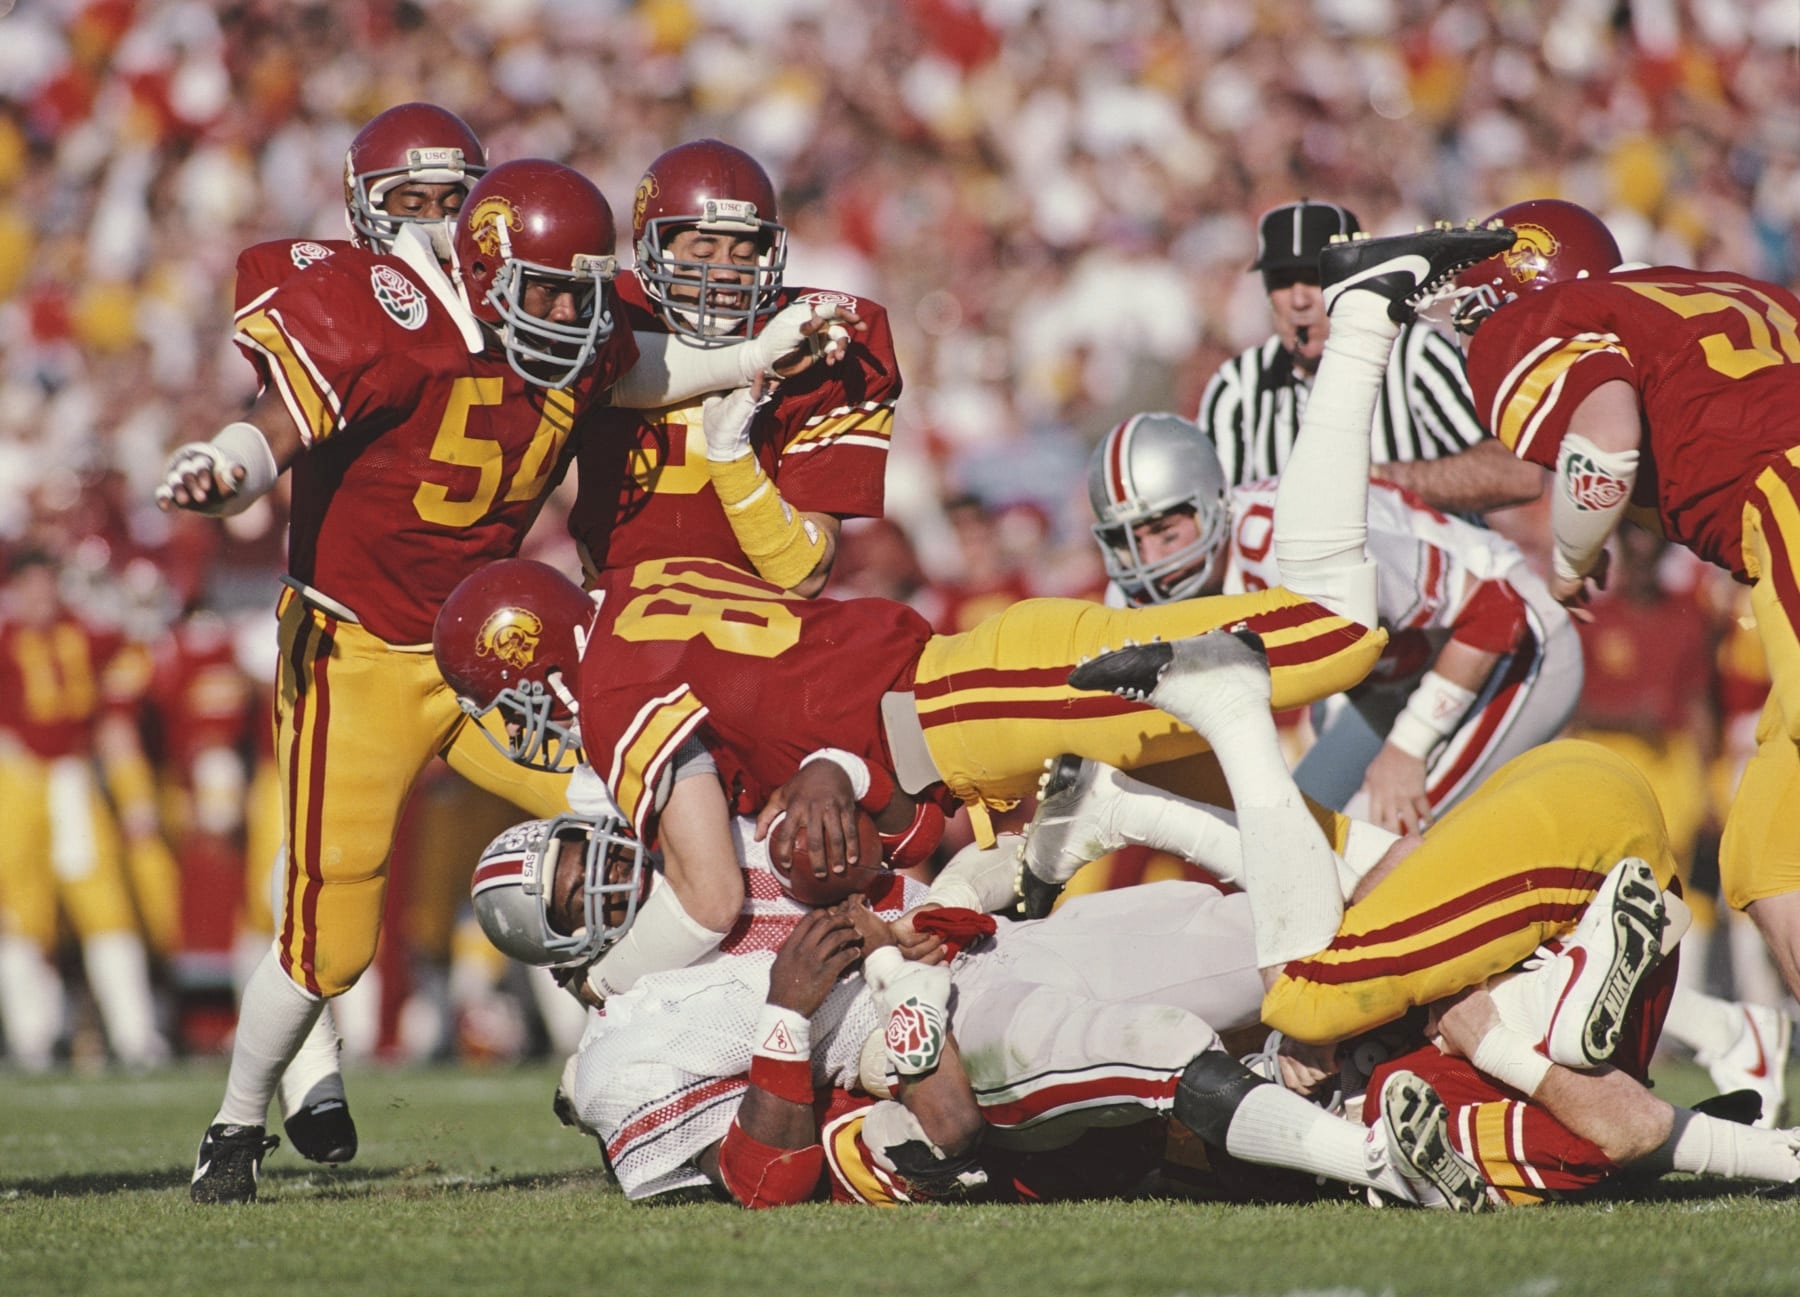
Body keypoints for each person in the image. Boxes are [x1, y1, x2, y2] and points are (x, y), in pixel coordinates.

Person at [159, 155, 843, 1204]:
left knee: (638, 809)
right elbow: (279, 428)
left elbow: (640, 370)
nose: (569, 315)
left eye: (580, 292)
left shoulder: (572, 340)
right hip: (361, 655)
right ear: (483, 276)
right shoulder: (391, 325)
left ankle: (628, 1052)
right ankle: (236, 1124)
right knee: (330, 936)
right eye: (546, 292)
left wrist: (754, 353)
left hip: (488, 654)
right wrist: (226, 469)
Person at [464, 790, 1490, 1211]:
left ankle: (1502, 972)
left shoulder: (723, 840)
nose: (611, 877)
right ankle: (1378, 1160)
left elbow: (898, 829)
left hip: (998, 943)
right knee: (1154, 1042)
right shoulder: (622, 1052)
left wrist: (847, 816)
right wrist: (785, 1013)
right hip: (936, 1038)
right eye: (577, 894)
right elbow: (756, 1183)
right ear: (558, 948)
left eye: (592, 853)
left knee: (1261, 930)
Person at [1448, 197, 1800, 1047]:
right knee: (1767, 852)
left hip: (1788, 504)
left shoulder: (1541, 319)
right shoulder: (1735, 293)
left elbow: (1606, 443)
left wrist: (1569, 564)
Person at [1087, 410, 1582, 834]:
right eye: (1126, 542)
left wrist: (1408, 749)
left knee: (1378, 848)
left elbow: (1494, 611)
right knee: (1285, 845)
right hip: (1389, 682)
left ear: (1214, 505)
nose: (1149, 563)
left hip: (1510, 640)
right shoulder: (1131, 597)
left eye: (1164, 532)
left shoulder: (1296, 543)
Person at [568, 139, 898, 599]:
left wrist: (733, 461)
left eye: (744, 254)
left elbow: (804, 575)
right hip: (614, 615)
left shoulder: (825, 339)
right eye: (703, 252)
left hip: (752, 625)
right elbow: (613, 374)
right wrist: (754, 358)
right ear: (651, 253)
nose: (725, 271)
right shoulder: (603, 312)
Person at [1198, 200, 1540, 516]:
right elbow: (1214, 514)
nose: (1299, 301)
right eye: (1283, 282)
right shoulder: (1239, 386)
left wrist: (1374, 482)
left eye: (1317, 278)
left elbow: (1519, 474)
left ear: (1357, 279)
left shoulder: (1414, 355)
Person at [0, 549, 171, 1070]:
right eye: (30, 586)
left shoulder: (88, 634)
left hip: (74, 778)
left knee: (106, 906)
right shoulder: (7, 639)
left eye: (46, 584)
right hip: (16, 776)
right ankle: (32, 1038)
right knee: (21, 914)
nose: (40, 596)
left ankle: (135, 1033)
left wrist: (133, 791)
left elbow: (120, 704)